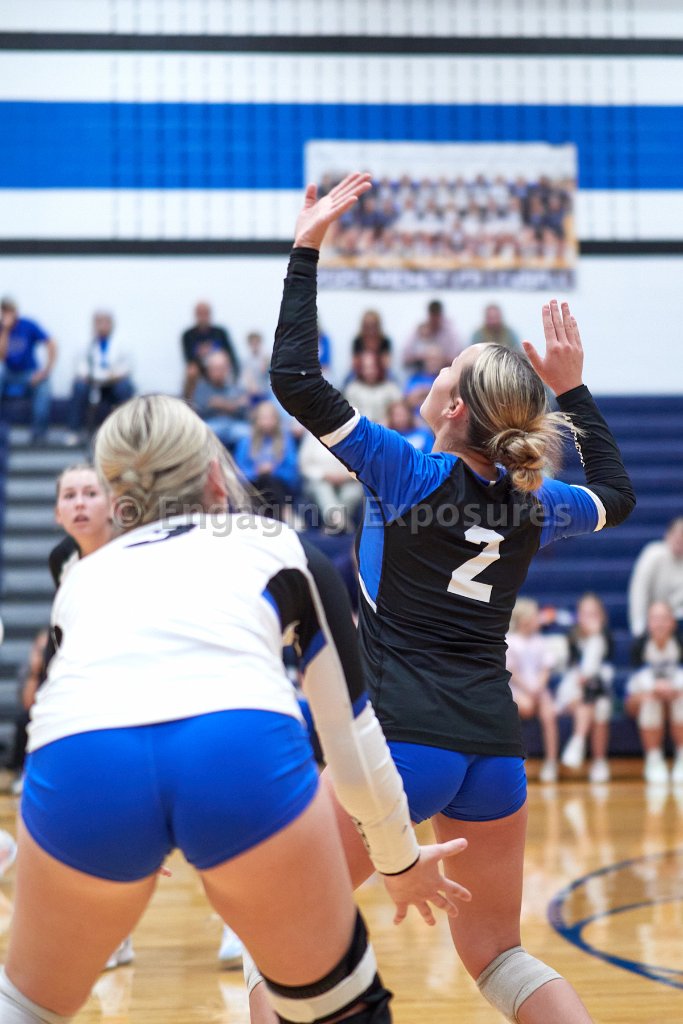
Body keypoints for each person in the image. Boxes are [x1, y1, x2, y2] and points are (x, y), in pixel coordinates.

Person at [263, 171, 636, 1024]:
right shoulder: (535, 501)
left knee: (277, 939)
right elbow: (616, 496)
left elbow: (293, 375)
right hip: (493, 752)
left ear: (453, 406)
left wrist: (306, 246)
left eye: (448, 366)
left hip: (400, 745)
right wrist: (573, 389)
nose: (435, 366)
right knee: (499, 956)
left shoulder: (406, 470)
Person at [1, 392, 468, 1024]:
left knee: (25, 1005)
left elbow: (61, 708)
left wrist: (129, 826)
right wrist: (399, 861)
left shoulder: (81, 579)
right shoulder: (279, 545)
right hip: (236, 752)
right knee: (339, 1007)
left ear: (116, 499)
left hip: (84, 770)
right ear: (216, 478)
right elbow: (353, 748)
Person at [557, 594, 614, 783]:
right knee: (592, 700)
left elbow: (592, 670)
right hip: (573, 690)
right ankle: (585, 747)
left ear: (602, 617)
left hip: (597, 690)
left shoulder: (603, 638)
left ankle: (584, 746)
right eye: (585, 614)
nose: (589, 619)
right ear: (578, 616)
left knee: (601, 705)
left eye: (593, 614)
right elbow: (573, 672)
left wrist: (596, 636)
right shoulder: (572, 637)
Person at [626, 601, 683, 784]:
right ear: (648, 623)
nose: (659, 624)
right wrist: (653, 689)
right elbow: (631, 695)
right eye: (655, 618)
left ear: (673, 622)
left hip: (676, 697)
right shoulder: (639, 647)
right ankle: (653, 758)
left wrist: (673, 688)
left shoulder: (679, 644)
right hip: (646, 701)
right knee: (650, 701)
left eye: (664, 618)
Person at [505, 599, 559, 784]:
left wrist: (538, 687)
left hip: (538, 688)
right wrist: (528, 689)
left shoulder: (540, 641)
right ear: (524, 620)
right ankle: (518, 760)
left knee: (549, 713)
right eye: (534, 616)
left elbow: (546, 668)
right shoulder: (511, 641)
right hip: (517, 688)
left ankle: (551, 761)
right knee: (525, 708)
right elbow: (511, 671)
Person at [65, 312, 135, 445]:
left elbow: (128, 366)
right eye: (99, 323)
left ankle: (126, 432)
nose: (102, 326)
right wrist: (88, 376)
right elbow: (79, 364)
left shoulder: (122, 342)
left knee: (125, 388)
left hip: (113, 382)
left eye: (106, 323)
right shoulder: (85, 343)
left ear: (111, 325)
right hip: (92, 382)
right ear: (94, 325)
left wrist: (115, 375)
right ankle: (74, 431)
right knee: (79, 387)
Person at [0, 297, 57, 441]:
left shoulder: (28, 325)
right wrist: (5, 331)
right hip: (8, 374)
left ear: (16, 312)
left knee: (44, 386)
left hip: (28, 373)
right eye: (4, 311)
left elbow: (51, 344)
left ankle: (39, 433)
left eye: (10, 311)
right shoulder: (2, 329)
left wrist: (46, 371)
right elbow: (1, 357)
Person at [233, 400, 300, 517]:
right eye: (264, 418)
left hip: (278, 486)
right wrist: (256, 471)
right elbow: (238, 471)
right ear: (256, 419)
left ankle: (281, 514)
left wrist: (273, 470)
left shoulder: (285, 440)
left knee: (270, 481)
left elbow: (292, 471)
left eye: (270, 418)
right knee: (263, 480)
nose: (267, 422)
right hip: (254, 484)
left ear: (277, 419)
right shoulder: (246, 441)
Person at [628, 518, 683, 638]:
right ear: (668, 535)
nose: (680, 541)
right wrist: (638, 627)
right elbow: (639, 591)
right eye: (677, 536)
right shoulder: (653, 554)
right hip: (652, 622)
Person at [192, 350, 251, 450]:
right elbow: (199, 410)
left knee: (250, 434)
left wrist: (220, 404)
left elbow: (245, 410)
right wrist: (233, 405)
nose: (219, 372)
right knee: (200, 434)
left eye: (222, 368)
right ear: (208, 370)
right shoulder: (201, 387)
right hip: (211, 424)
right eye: (215, 369)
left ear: (228, 368)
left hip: (234, 425)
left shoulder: (236, 387)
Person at [181, 301, 240, 400]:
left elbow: (230, 354)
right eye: (200, 313)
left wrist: (234, 370)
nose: (203, 317)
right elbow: (189, 359)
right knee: (192, 370)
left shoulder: (220, 332)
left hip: (220, 366)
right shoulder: (188, 335)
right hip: (202, 368)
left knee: (220, 366)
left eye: (205, 313)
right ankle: (188, 401)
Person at [402, 298, 462, 374]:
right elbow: (406, 358)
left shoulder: (451, 333)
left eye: (437, 316)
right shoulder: (419, 331)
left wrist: (438, 359)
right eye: (432, 316)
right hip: (421, 373)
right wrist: (424, 357)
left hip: (446, 373)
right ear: (429, 315)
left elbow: (457, 359)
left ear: (440, 315)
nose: (434, 320)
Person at [343, 352, 402, 426]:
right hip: (361, 429)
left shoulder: (391, 388)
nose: (369, 371)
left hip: (386, 429)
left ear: (379, 367)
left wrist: (388, 421)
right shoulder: (352, 389)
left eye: (373, 367)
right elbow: (350, 416)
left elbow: (399, 411)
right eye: (366, 368)